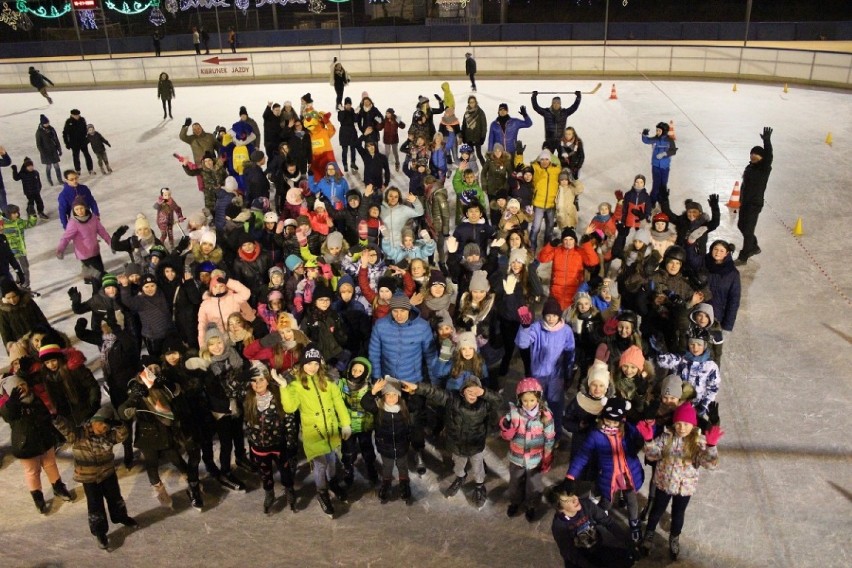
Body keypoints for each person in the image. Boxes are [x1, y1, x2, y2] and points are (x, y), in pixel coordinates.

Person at [402, 375, 502, 508]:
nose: (472, 394)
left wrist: (484, 392)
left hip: (475, 446)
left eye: (476, 392)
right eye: (469, 391)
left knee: (478, 469)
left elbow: (498, 401)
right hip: (457, 445)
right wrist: (417, 387)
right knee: (458, 467)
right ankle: (461, 477)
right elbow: (434, 392)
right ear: (462, 391)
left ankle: (479, 486)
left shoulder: (484, 404)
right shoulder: (452, 399)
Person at [637, 402, 721, 560]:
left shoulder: (698, 443)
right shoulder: (666, 437)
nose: (682, 428)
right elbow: (652, 456)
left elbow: (710, 465)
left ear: (693, 425)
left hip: (685, 488)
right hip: (664, 483)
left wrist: (711, 446)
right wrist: (649, 441)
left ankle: (674, 537)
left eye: (686, 424)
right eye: (679, 423)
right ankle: (649, 534)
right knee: (656, 511)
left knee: (678, 514)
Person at [561, 397, 645, 546]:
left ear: (622, 421)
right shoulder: (596, 435)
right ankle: (596, 520)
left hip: (628, 475)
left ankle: (634, 524)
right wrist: (570, 476)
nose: (611, 425)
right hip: (609, 477)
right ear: (602, 418)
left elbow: (644, 436)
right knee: (606, 501)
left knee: (631, 500)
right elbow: (582, 456)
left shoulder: (627, 431)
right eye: (608, 421)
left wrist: (640, 439)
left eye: (615, 422)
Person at [52, 404, 138, 550]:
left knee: (115, 498)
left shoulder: (108, 436)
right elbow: (66, 429)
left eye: (106, 428)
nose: (102, 430)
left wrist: (118, 425)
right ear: (94, 421)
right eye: (101, 425)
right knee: (95, 504)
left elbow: (122, 435)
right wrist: (57, 418)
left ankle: (120, 516)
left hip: (108, 473)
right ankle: (100, 531)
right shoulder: (78, 434)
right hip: (89, 478)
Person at [280, 344, 351, 518]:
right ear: (302, 364)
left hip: (331, 431)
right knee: (321, 465)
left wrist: (346, 423)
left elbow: (338, 404)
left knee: (332, 460)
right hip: (314, 433)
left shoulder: (327, 381)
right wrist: (283, 387)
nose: (312, 367)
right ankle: (322, 492)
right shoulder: (296, 385)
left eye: (316, 363)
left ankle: (333, 483)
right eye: (309, 363)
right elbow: (290, 408)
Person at [0, 372, 76, 515]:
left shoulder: (35, 399)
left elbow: (46, 416)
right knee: (32, 472)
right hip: (25, 444)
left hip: (44, 439)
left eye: (23, 384)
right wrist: (12, 402)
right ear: (11, 392)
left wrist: (55, 433)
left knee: (50, 464)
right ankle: (38, 496)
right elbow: (7, 415)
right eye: (17, 387)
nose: (22, 388)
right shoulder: (12, 408)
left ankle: (58, 486)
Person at [243, 362, 298, 514]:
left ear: (268, 380)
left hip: (278, 445)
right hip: (259, 447)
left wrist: (291, 441)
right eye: (254, 380)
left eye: (261, 380)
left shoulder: (278, 396)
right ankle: (269, 492)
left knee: (285, 470)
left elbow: (289, 418)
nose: (257, 384)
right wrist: (242, 377)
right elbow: (231, 390)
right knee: (265, 472)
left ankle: (289, 489)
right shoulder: (248, 398)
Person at [499, 377, 556, 521]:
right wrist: (505, 427)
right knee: (515, 483)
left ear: (538, 399)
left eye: (532, 400)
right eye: (525, 400)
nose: (529, 404)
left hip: (536, 459)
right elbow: (504, 426)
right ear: (519, 399)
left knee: (534, 485)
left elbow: (549, 437)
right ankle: (515, 502)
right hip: (516, 457)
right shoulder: (514, 414)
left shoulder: (546, 416)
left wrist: (547, 456)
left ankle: (532, 505)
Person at [551, 489, 636, 568]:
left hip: (597, 549)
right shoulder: (559, 525)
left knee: (628, 559)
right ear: (560, 509)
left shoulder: (586, 505)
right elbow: (569, 552)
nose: (575, 499)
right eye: (568, 501)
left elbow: (608, 522)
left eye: (573, 495)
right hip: (580, 558)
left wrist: (629, 543)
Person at [361, 377, 413, 504]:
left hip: (401, 445)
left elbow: (417, 404)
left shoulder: (404, 409)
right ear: (383, 396)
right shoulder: (379, 409)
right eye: (388, 395)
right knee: (387, 467)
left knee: (402, 466)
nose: (391, 398)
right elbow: (365, 403)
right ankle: (386, 483)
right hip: (385, 446)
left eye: (394, 395)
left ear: (399, 396)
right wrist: (372, 392)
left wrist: (412, 392)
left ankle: (404, 484)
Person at [56, 197, 111, 290]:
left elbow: (102, 231)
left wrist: (110, 242)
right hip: (84, 255)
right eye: (76, 209)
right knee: (98, 276)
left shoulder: (93, 218)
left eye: (81, 208)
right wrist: (60, 249)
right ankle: (97, 296)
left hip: (95, 251)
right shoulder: (73, 223)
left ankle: (100, 295)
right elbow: (66, 238)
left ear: (85, 208)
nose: (79, 211)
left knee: (100, 273)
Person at [736, 127, 773, 265]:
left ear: (762, 157)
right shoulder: (749, 167)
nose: (753, 156)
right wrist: (740, 199)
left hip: (754, 204)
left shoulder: (764, 169)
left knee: (748, 230)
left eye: (757, 155)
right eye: (752, 154)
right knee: (741, 225)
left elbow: (769, 157)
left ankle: (743, 257)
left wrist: (767, 142)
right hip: (745, 202)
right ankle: (754, 246)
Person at [641, 122, 678, 208]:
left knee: (664, 184)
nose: (657, 132)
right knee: (656, 184)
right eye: (656, 130)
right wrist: (644, 135)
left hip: (665, 167)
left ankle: (662, 200)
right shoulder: (655, 139)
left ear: (664, 131)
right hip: (656, 166)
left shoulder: (669, 140)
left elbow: (673, 150)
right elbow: (646, 141)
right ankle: (652, 200)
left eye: (659, 130)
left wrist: (665, 153)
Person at [1, 204, 38, 288]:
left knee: (25, 267)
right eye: (14, 213)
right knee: (16, 267)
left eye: (17, 212)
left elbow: (29, 224)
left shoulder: (19, 222)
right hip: (9, 251)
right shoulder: (3, 224)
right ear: (8, 214)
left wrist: (33, 216)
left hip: (20, 250)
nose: (17, 214)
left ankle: (26, 283)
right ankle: (19, 280)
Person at [63, 109, 95, 175]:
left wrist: (87, 138)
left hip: (83, 142)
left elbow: (86, 130)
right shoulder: (69, 122)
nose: (77, 116)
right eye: (76, 115)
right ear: (72, 115)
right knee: (76, 157)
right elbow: (65, 133)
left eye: (78, 115)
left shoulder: (82, 120)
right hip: (74, 143)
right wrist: (67, 143)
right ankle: (78, 170)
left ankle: (90, 169)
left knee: (87, 155)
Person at [35, 114, 63, 186]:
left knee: (57, 166)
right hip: (46, 152)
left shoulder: (52, 129)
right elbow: (39, 144)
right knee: (49, 166)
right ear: (42, 123)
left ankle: (60, 179)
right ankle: (49, 180)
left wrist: (59, 149)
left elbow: (56, 139)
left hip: (53, 151)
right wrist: (43, 153)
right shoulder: (39, 132)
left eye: (48, 123)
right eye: (46, 123)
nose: (47, 124)